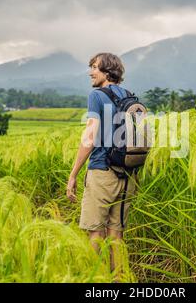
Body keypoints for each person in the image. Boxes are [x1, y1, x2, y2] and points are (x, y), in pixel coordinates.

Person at [66, 52, 137, 275]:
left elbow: (89, 137)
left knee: (95, 233)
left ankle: (93, 282)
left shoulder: (96, 96)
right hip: (128, 176)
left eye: (94, 67)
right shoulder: (129, 97)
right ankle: (119, 283)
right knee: (116, 235)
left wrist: (73, 173)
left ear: (107, 71)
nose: (90, 72)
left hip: (102, 173)